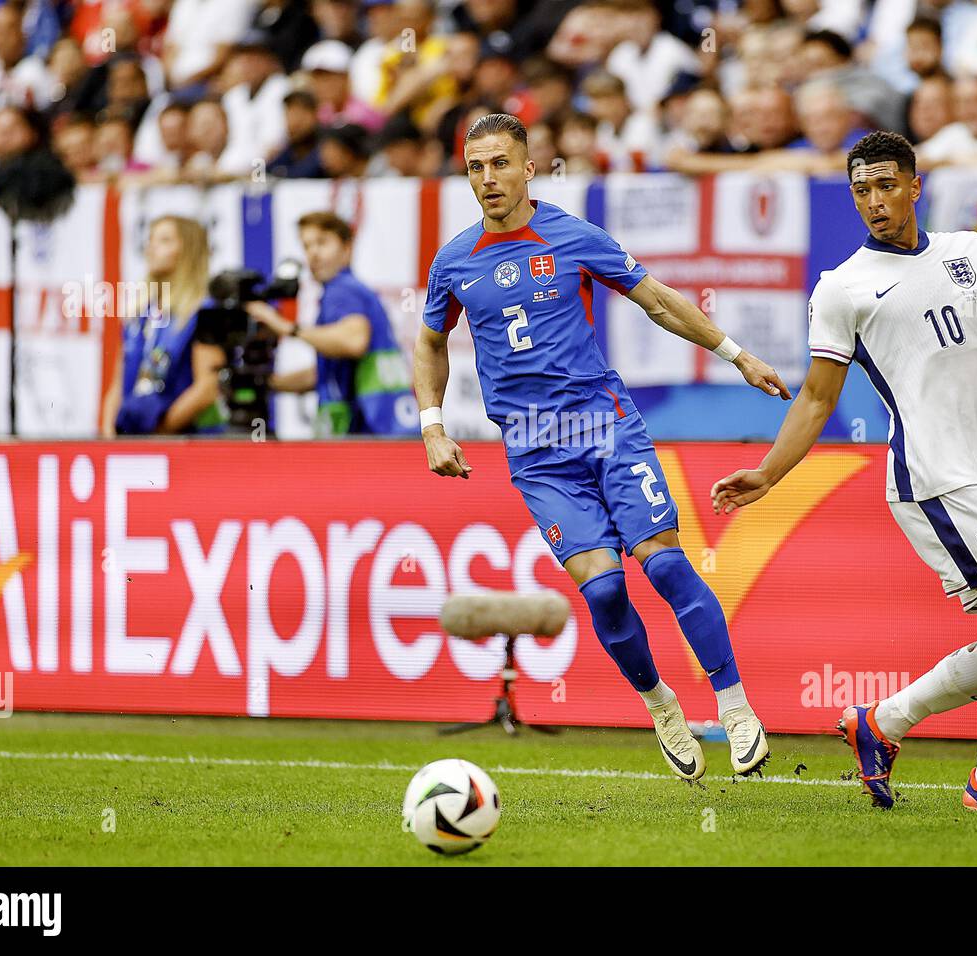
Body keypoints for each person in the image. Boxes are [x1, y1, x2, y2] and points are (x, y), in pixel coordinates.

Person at [711, 131, 977, 813]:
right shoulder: (842, 287)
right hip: (932, 478)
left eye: (886, 185)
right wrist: (767, 474)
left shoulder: (972, 254)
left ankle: (881, 722)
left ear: (915, 185)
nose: (874, 201)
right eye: (861, 190)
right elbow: (819, 396)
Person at [413, 112, 788, 781]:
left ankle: (734, 707)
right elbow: (431, 341)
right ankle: (662, 707)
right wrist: (433, 425)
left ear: (529, 168)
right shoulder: (453, 262)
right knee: (606, 590)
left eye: (501, 163)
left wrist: (736, 354)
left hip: (605, 426)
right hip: (534, 451)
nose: (488, 178)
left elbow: (658, 302)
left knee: (665, 565)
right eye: (475, 166)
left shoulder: (572, 235)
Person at [248, 211, 418, 436]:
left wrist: (285, 327)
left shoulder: (341, 289)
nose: (313, 254)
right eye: (306, 246)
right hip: (387, 430)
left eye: (322, 242)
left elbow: (354, 341)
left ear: (347, 248)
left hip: (372, 433)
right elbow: (327, 372)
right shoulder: (353, 290)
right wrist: (270, 384)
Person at [102, 215, 226, 437]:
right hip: (135, 438)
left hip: (188, 441)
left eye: (165, 240)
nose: (151, 248)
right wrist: (110, 436)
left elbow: (207, 388)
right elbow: (117, 386)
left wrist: (157, 434)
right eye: (150, 240)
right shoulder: (140, 315)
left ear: (188, 250)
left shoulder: (203, 311)